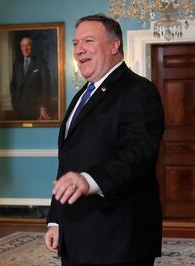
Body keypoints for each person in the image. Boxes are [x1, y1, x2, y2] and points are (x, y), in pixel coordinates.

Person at [45, 14, 164, 266]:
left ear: (114, 45)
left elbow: (137, 154)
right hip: (77, 234)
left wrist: (89, 181)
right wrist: (56, 221)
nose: (79, 50)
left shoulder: (138, 90)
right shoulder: (81, 96)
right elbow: (68, 162)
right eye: (75, 43)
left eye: (88, 41)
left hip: (119, 237)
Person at [10, 36, 51, 120]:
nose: (25, 48)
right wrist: (14, 103)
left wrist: (43, 107)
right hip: (19, 109)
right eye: (23, 46)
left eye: (28, 45)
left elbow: (46, 86)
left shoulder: (40, 61)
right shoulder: (17, 63)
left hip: (35, 109)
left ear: (32, 46)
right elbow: (13, 84)